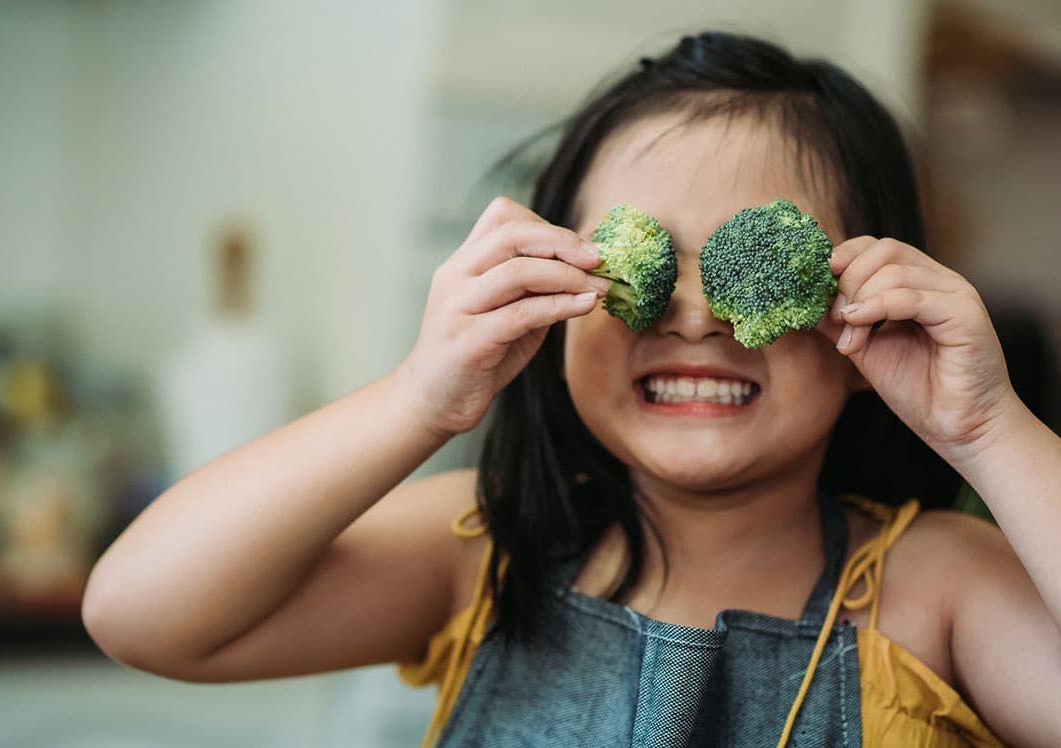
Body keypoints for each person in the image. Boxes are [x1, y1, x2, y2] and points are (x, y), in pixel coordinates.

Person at [82, 32, 1061, 747]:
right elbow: (139, 611)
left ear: (867, 320)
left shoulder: (939, 585)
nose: (691, 315)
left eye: (745, 264)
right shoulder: (487, 543)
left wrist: (985, 427)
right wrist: (419, 398)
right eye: (636, 261)